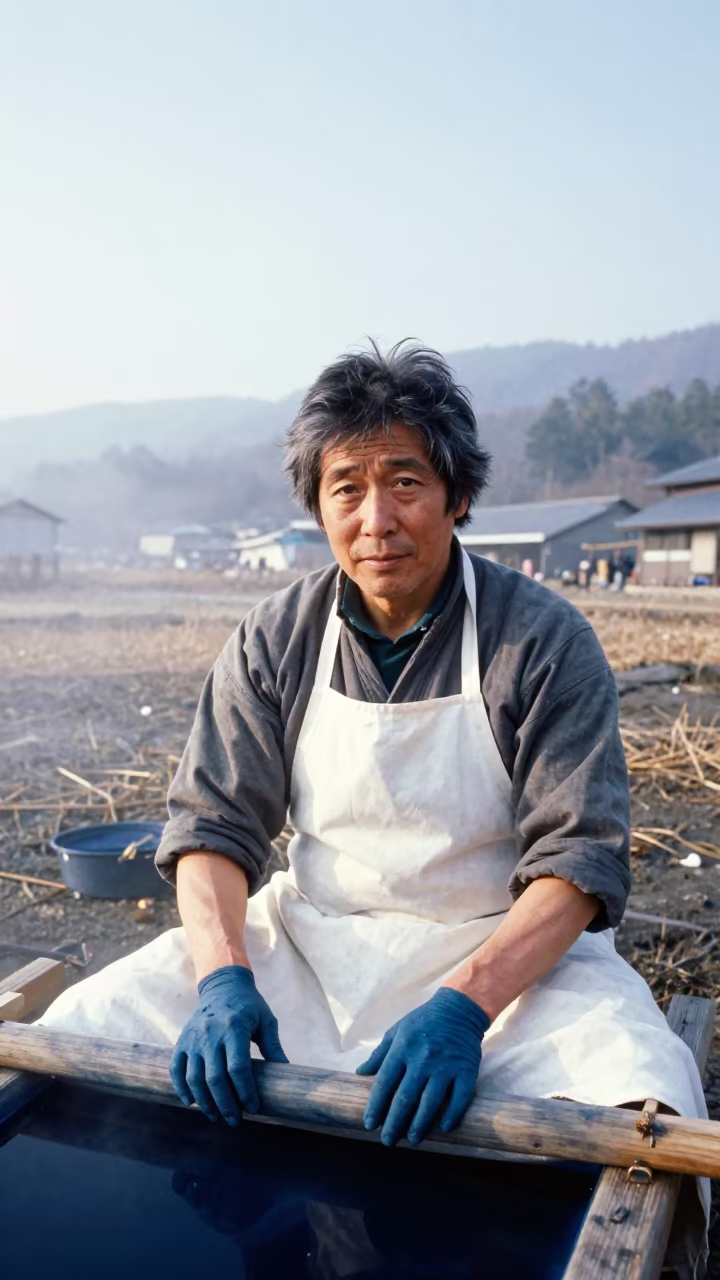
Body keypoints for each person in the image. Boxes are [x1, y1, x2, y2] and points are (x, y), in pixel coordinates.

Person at [40, 341, 705, 1166]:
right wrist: (222, 981)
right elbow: (212, 828)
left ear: (457, 495)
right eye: (346, 489)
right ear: (317, 508)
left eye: (405, 483)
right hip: (312, 945)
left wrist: (465, 1008)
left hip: (505, 964)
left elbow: (580, 860)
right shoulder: (276, 636)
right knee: (85, 1024)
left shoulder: (541, 639)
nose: (376, 520)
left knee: (642, 1086)